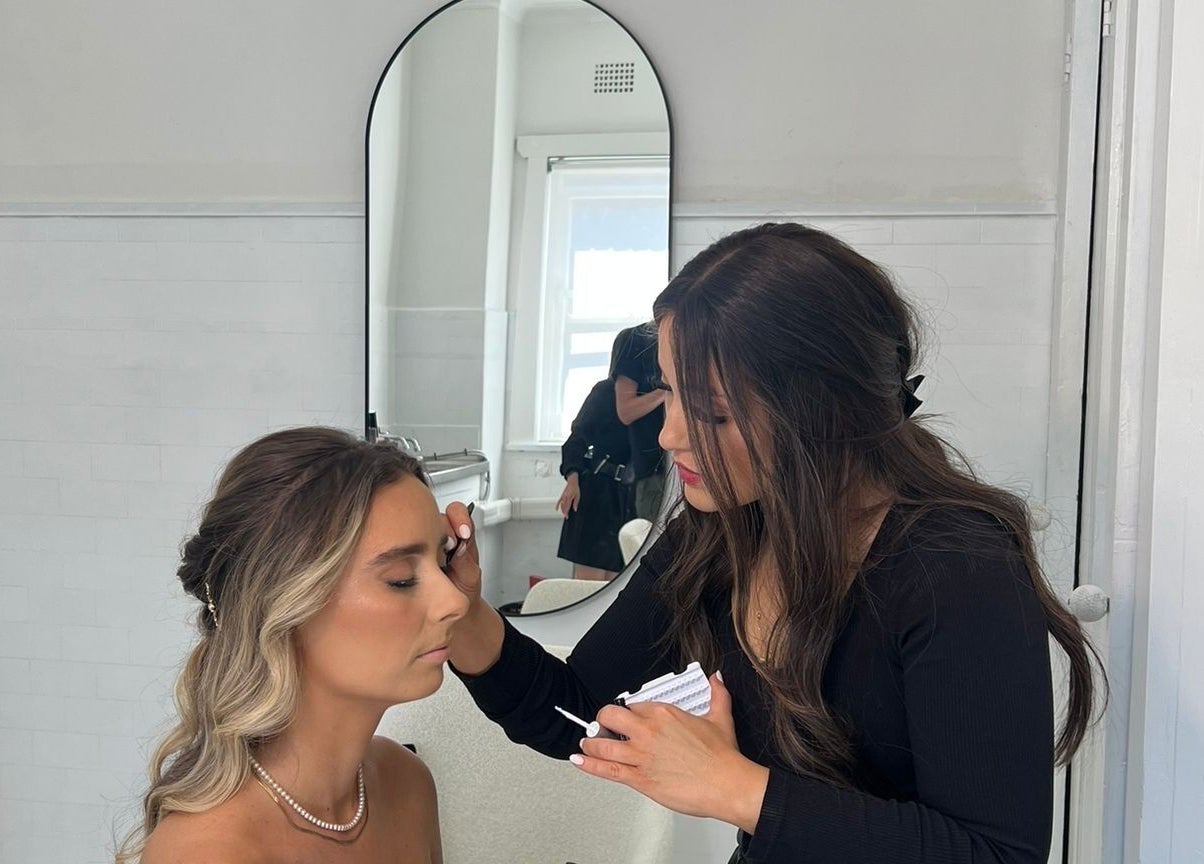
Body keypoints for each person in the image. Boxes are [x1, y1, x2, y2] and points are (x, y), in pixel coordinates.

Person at [440, 223, 1103, 863]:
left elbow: (993, 853)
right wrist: (463, 614)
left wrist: (738, 790)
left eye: (713, 412)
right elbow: (586, 714)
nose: (671, 435)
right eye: (670, 393)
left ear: (820, 410)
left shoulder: (956, 568)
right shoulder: (718, 536)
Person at [116, 427, 469, 864]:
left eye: (442, 561)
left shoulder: (406, 783)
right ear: (284, 606)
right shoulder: (209, 853)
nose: (456, 600)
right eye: (400, 578)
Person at [556, 377, 637, 580]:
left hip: (630, 495)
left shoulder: (652, 396)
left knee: (618, 580)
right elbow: (577, 439)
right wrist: (572, 480)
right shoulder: (605, 391)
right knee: (589, 584)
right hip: (597, 493)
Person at [610, 322, 667, 520]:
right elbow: (626, 411)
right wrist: (667, 389)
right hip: (653, 471)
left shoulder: (697, 333)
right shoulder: (637, 339)